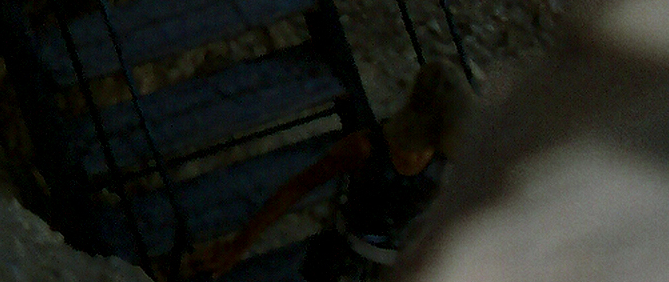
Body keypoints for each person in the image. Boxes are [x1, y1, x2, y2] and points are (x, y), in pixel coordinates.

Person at [193, 60, 469, 276]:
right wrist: (239, 245)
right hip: (345, 262)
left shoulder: (443, 161)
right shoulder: (365, 149)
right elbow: (297, 187)